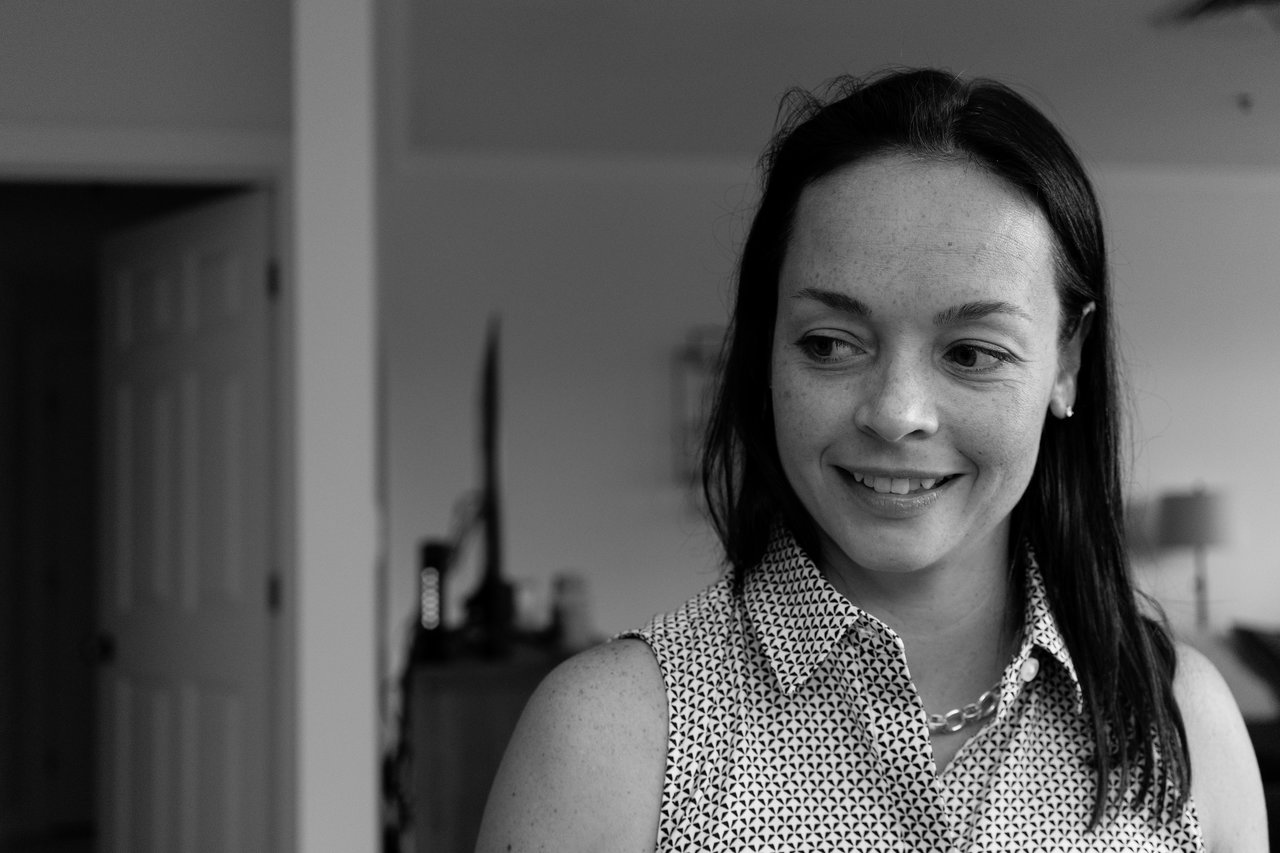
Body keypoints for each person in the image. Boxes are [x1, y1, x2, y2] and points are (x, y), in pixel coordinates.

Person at [474, 68, 1267, 851]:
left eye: (970, 352)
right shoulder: (610, 737)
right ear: (767, 351)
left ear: (1065, 364)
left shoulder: (1184, 726)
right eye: (830, 343)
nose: (896, 412)